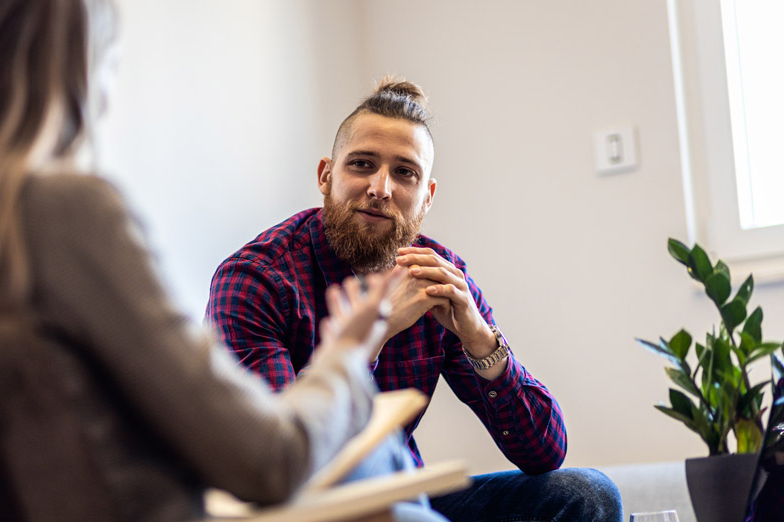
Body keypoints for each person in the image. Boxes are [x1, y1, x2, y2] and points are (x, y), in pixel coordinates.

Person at [0, 2, 448, 522]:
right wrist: (350, 350)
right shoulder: (65, 214)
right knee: (385, 467)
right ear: (84, 66)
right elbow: (268, 460)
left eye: (404, 173)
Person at [207, 77, 623, 521]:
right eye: (362, 164)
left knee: (584, 494)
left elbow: (545, 453)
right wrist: (373, 336)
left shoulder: (439, 276)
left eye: (404, 172)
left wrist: (481, 340)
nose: (381, 188)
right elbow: (278, 461)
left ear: (426, 197)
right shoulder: (255, 278)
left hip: (407, 503)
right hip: (300, 510)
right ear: (326, 176)